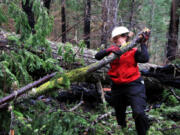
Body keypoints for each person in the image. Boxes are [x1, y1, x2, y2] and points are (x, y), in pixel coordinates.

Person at [95, 26, 150, 135]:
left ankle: (143, 132)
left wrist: (143, 43)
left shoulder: (133, 51)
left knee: (139, 112)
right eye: (118, 37)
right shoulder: (112, 52)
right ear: (114, 39)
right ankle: (123, 131)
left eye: (124, 36)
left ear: (126, 38)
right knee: (120, 115)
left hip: (134, 85)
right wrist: (109, 50)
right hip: (117, 87)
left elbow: (145, 58)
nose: (121, 38)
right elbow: (97, 56)